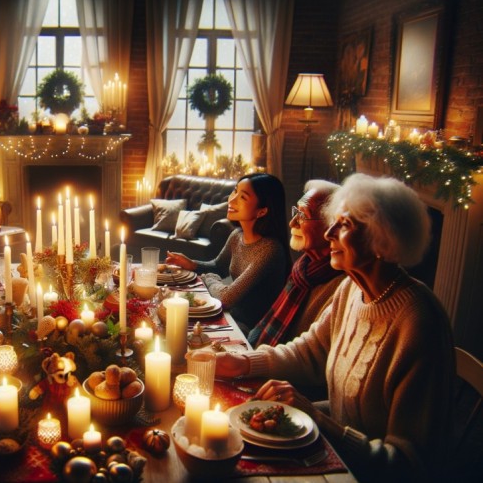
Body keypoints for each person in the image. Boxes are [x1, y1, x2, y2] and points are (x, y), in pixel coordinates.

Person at [215, 174, 454, 482]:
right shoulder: (351, 291)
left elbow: (409, 464)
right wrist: (245, 362)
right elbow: (309, 352)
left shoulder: (419, 323)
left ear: (383, 240)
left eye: (344, 225)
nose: (328, 233)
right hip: (337, 451)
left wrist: (317, 420)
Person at [166, 173, 290, 330]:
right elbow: (218, 266)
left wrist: (208, 278)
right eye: (234, 191)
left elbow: (226, 298)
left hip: (250, 328)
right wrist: (192, 264)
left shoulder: (269, 250)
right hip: (230, 315)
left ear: (262, 211)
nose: (231, 200)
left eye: (243, 197)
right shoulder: (237, 235)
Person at [247, 179, 344, 346]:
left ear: (331, 225)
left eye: (303, 215)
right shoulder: (303, 268)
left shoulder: (340, 286)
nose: (293, 223)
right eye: (295, 212)